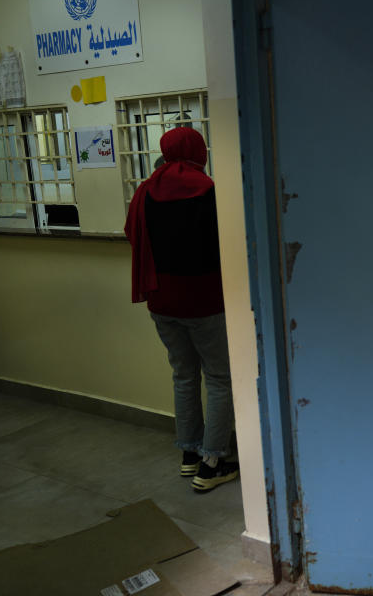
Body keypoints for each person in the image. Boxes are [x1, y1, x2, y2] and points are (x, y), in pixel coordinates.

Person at [124, 127, 239, 493]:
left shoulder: (144, 191)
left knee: (184, 376)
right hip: (205, 301)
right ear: (198, 151)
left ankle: (189, 456)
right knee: (219, 378)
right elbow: (231, 241)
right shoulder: (210, 191)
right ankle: (213, 462)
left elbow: (131, 233)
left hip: (161, 301)